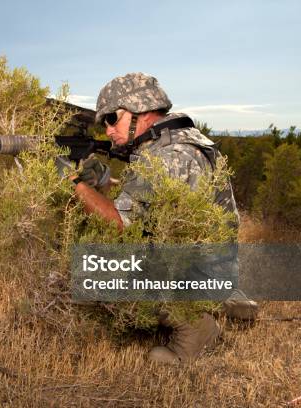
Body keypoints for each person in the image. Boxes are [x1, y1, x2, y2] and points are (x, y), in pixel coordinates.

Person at [72, 72, 258, 364]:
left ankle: (197, 330)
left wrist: (76, 186)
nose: (107, 130)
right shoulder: (174, 141)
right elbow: (157, 201)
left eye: (112, 118)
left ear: (142, 110)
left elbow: (121, 226)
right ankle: (225, 297)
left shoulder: (169, 156)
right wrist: (106, 185)